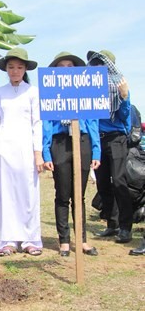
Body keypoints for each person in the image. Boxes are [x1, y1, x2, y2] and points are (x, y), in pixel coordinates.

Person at [0, 48, 44, 257]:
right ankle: (7, 239)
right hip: (4, 148)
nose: (15, 71)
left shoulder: (33, 92)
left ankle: (31, 239)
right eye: (11, 67)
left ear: (25, 68)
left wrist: (38, 153)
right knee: (5, 193)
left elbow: (37, 123)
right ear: (6, 69)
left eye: (19, 67)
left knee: (28, 193)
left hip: (27, 148)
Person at [42, 52, 100, 257]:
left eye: (70, 66)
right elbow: (47, 125)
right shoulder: (50, 94)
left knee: (79, 196)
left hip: (82, 140)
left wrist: (96, 150)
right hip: (60, 143)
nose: (66, 69)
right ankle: (64, 241)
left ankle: (82, 240)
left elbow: (93, 122)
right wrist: (46, 154)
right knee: (63, 194)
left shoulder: (85, 91)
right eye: (61, 66)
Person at [88, 50, 133, 243]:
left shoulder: (120, 88)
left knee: (120, 182)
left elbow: (126, 119)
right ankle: (112, 224)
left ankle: (125, 227)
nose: (98, 68)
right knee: (103, 183)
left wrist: (124, 97)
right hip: (97, 140)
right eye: (94, 65)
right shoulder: (89, 90)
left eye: (102, 64)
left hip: (116, 138)